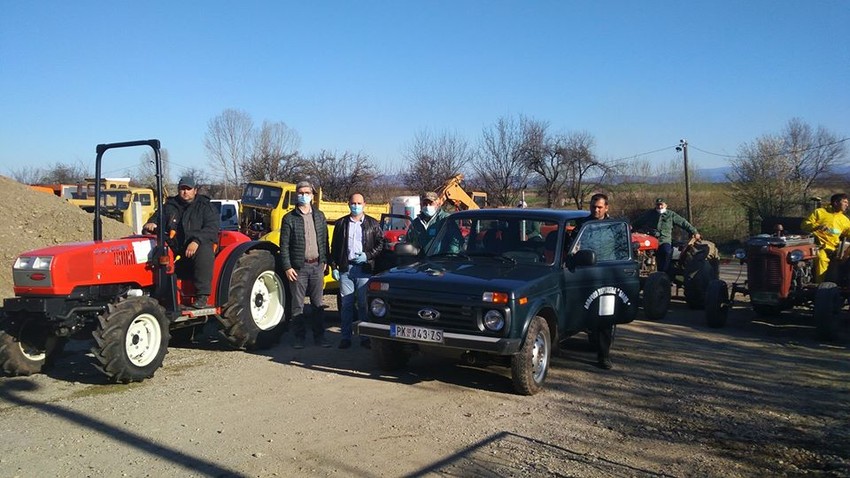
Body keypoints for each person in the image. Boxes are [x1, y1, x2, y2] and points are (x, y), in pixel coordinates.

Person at [143, 176, 220, 308]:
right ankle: (154, 290)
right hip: (175, 246)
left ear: (195, 190)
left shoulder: (205, 206)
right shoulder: (169, 206)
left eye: (188, 189)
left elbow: (211, 228)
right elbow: (156, 219)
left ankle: (202, 295)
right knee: (157, 250)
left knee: (203, 250)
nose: (185, 192)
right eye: (182, 189)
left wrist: (196, 241)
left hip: (197, 245)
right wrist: (151, 225)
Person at [280, 180, 331, 349]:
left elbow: (325, 240)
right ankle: (299, 338)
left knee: (318, 304)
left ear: (312, 195)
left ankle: (320, 337)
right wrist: (287, 267)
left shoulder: (319, 216)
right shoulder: (289, 218)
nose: (304, 196)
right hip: (298, 268)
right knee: (298, 306)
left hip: (317, 266)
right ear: (297, 195)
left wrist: (325, 261)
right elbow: (284, 245)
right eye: (301, 193)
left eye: (307, 193)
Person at [330, 193, 386, 349]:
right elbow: (335, 247)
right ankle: (345, 337)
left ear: (364, 204)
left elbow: (380, 244)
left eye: (359, 203)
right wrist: (334, 267)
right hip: (346, 269)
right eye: (353, 203)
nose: (356, 206)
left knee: (363, 304)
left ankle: (365, 337)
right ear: (348, 204)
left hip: (364, 269)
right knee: (346, 305)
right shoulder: (341, 224)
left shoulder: (373, 224)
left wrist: (367, 255)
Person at [572, 193, 616, 370]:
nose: (596, 210)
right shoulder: (582, 225)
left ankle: (604, 355)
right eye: (593, 207)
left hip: (606, 274)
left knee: (605, 316)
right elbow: (573, 246)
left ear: (606, 208)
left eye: (599, 207)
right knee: (583, 311)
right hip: (585, 274)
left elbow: (621, 249)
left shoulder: (614, 226)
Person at [632, 197, 701, 274]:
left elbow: (683, 223)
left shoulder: (671, 215)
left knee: (666, 252)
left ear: (666, 205)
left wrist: (694, 232)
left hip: (664, 240)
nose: (659, 207)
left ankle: (664, 273)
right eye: (658, 205)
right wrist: (630, 227)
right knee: (640, 251)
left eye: (661, 205)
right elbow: (638, 222)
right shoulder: (650, 214)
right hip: (651, 240)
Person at [802, 193, 850, 283]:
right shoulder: (819, 212)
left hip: (834, 249)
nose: (847, 204)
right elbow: (804, 225)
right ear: (836, 202)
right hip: (818, 246)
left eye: (847, 203)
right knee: (821, 259)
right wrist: (816, 226)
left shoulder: (845, 220)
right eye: (844, 202)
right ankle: (819, 285)